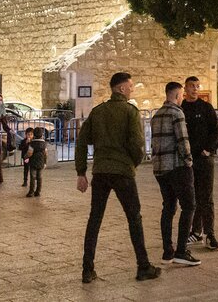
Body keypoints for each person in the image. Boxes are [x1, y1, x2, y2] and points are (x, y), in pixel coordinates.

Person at [76, 72, 159, 284]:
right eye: (130, 86)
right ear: (121, 88)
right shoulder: (130, 112)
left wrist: (81, 172)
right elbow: (137, 144)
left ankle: (87, 269)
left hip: (101, 172)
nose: (132, 89)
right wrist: (133, 162)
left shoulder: (98, 112)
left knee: (95, 219)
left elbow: (81, 141)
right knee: (134, 218)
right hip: (123, 172)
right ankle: (143, 266)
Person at [150, 81, 199, 267]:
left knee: (168, 208)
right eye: (181, 95)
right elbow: (183, 140)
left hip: (160, 169)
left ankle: (167, 250)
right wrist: (189, 161)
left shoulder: (156, 115)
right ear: (177, 95)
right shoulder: (177, 113)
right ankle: (181, 250)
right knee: (189, 206)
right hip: (177, 167)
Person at [181, 76, 218, 250]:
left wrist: (208, 150)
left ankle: (209, 233)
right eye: (192, 86)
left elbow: (216, 130)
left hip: (204, 159)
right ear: (185, 88)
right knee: (192, 196)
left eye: (197, 86)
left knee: (206, 196)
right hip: (188, 160)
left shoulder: (206, 108)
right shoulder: (181, 109)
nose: (195, 89)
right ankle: (195, 231)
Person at [25, 127, 47, 198]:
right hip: (41, 162)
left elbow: (30, 153)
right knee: (40, 177)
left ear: (34, 134)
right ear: (41, 135)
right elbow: (45, 153)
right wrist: (45, 162)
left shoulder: (32, 143)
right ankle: (38, 191)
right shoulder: (44, 143)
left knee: (33, 177)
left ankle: (31, 192)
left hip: (33, 162)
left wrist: (26, 157)